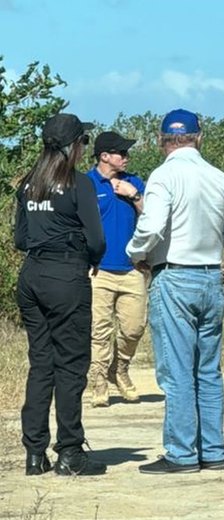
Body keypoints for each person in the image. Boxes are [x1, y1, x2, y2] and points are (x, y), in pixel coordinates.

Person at [127, 109, 224, 474]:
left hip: (174, 274)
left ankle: (181, 452)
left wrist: (135, 253)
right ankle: (213, 449)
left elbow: (153, 225)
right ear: (199, 137)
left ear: (161, 140)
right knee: (208, 370)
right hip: (210, 276)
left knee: (176, 371)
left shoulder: (164, 176)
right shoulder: (220, 178)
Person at [14, 113, 107, 476]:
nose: (84, 148)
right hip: (66, 276)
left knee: (41, 364)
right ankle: (70, 451)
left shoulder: (27, 185)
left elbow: (21, 239)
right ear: (72, 146)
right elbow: (97, 239)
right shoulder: (78, 184)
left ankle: (34, 453)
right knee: (71, 365)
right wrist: (88, 256)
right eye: (82, 142)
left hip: (32, 275)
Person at [86, 131, 146, 407]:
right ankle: (98, 379)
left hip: (131, 269)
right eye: (122, 153)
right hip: (98, 271)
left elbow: (151, 217)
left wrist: (134, 196)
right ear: (104, 156)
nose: (127, 157)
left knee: (134, 328)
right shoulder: (86, 183)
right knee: (99, 330)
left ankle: (119, 369)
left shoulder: (134, 181)